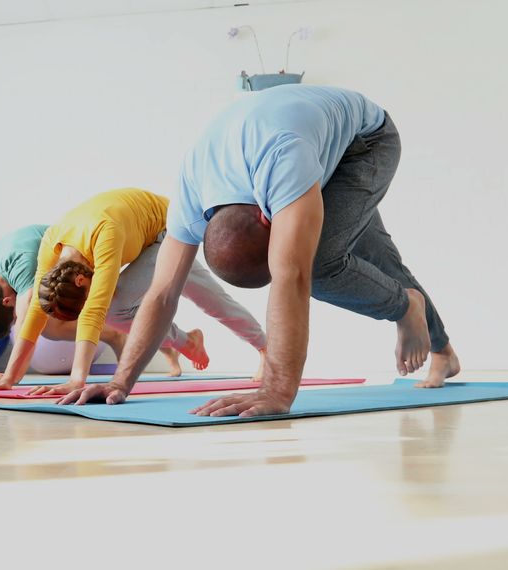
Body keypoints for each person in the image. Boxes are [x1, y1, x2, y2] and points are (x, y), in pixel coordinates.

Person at [60, 85, 460, 417]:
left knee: (320, 265)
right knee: (378, 260)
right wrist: (120, 382)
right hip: (304, 136)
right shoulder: (189, 200)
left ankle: (406, 306)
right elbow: (162, 293)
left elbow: (293, 276)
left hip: (365, 141)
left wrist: (277, 392)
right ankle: (442, 351)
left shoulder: (284, 165)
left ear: (271, 220)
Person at [0, 188, 268, 396]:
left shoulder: (104, 238)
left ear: (82, 283)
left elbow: (93, 314)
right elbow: (32, 314)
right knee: (134, 306)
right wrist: (10, 377)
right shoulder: (51, 244)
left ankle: (265, 349)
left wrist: (77, 380)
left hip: (169, 229)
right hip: (141, 237)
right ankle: (187, 340)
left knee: (207, 301)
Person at [0, 224, 185, 383]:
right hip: (55, 265)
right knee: (110, 313)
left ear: (8, 300)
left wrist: (10, 377)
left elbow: (29, 323)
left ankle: (128, 337)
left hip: (80, 257)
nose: (15, 320)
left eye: (12, 317)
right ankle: (163, 342)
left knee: (98, 314)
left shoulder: (22, 267)